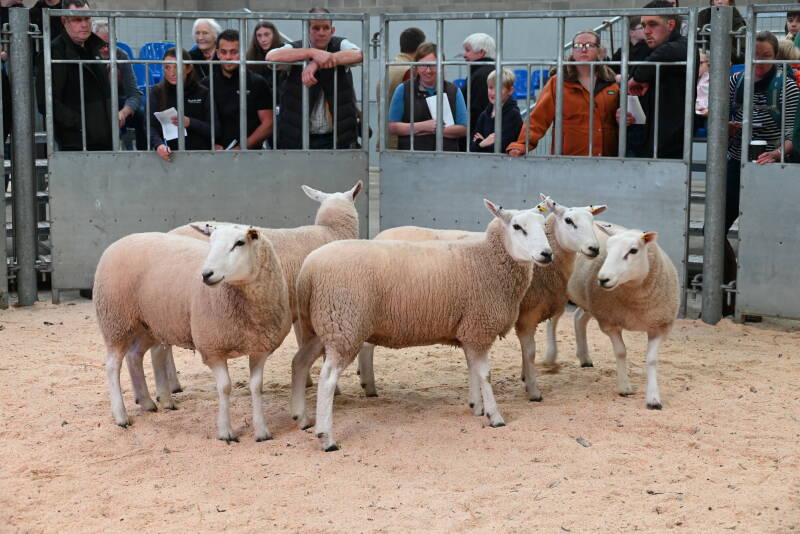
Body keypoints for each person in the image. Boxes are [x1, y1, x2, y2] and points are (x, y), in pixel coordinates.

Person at [724, 31, 799, 311]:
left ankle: (755, 300)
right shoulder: (736, 81)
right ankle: (724, 295)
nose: (759, 62)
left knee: (760, 233)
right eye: (755, 56)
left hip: (770, 166)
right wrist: (730, 127)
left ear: (776, 56)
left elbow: (793, 132)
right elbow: (725, 116)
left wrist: (778, 152)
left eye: (767, 56)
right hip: (736, 158)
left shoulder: (787, 86)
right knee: (715, 227)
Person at [507, 30, 619, 157]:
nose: (583, 49)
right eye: (577, 46)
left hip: (607, 160)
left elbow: (620, 120)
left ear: (598, 50)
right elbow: (538, 118)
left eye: (589, 45)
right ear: (572, 51)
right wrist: (521, 144)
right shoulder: (558, 82)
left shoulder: (611, 83)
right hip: (568, 160)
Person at [267, 8, 362, 150]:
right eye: (316, 28)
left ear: (332, 30)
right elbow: (271, 57)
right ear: (307, 30)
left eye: (326, 28)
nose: (321, 33)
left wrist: (316, 63)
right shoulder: (296, 48)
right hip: (298, 139)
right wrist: (311, 52)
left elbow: (360, 55)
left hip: (336, 138)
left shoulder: (340, 44)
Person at [626, 0, 693, 159]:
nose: (646, 31)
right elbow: (637, 72)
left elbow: (641, 71)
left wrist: (637, 78)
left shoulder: (681, 46)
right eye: (643, 26)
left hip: (668, 141)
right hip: (646, 135)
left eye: (652, 24)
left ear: (670, 25)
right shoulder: (649, 48)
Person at [50, 0, 112, 151]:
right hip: (76, 141)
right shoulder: (55, 52)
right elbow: (48, 102)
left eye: (87, 18)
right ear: (64, 21)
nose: (84, 24)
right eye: (77, 19)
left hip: (103, 137)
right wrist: (81, 124)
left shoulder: (95, 47)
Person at [387, 42, 467, 151]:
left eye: (433, 65)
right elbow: (392, 126)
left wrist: (435, 130)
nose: (428, 70)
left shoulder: (453, 91)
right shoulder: (403, 89)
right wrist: (422, 126)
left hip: (446, 158)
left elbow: (464, 128)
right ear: (416, 66)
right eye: (423, 65)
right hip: (411, 157)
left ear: (441, 66)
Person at [203, 29, 272, 150]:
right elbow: (198, 121)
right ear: (218, 53)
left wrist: (241, 148)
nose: (228, 57)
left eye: (234, 52)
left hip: (250, 156)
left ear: (242, 53)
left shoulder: (257, 83)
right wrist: (210, 144)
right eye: (224, 52)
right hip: (215, 157)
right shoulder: (206, 84)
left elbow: (268, 123)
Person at [149, 48, 214, 161]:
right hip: (168, 154)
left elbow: (214, 129)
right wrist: (158, 145)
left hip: (200, 155)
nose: (172, 73)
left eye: (177, 67)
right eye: (167, 67)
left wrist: (190, 122)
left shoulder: (203, 92)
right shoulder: (157, 91)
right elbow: (150, 125)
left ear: (189, 68)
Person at [93, 19, 145, 150]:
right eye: (101, 44)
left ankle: (142, 155)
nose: (105, 49)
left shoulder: (121, 55)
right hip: (95, 105)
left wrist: (124, 112)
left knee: (143, 115)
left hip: (120, 104)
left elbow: (134, 95)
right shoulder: (86, 55)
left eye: (109, 44)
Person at [384, 26, 425, 149]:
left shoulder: (389, 66)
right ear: (419, 47)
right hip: (403, 140)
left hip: (388, 137)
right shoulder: (410, 70)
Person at [469, 68, 522, 153]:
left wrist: (481, 144)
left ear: (510, 90)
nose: (493, 93)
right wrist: (483, 143)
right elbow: (472, 147)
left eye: (499, 89)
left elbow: (503, 147)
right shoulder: (484, 115)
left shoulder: (513, 115)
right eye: (490, 88)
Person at [462, 33, 496, 134]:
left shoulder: (481, 76)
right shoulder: (488, 72)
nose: (464, 55)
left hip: (477, 138)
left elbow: (477, 111)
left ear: (481, 52)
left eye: (468, 50)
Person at [697, 1, 746, 65]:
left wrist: (717, 40)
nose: (720, 1)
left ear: (730, 1)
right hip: (704, 60)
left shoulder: (737, 21)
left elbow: (741, 55)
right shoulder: (703, 15)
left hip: (729, 63)